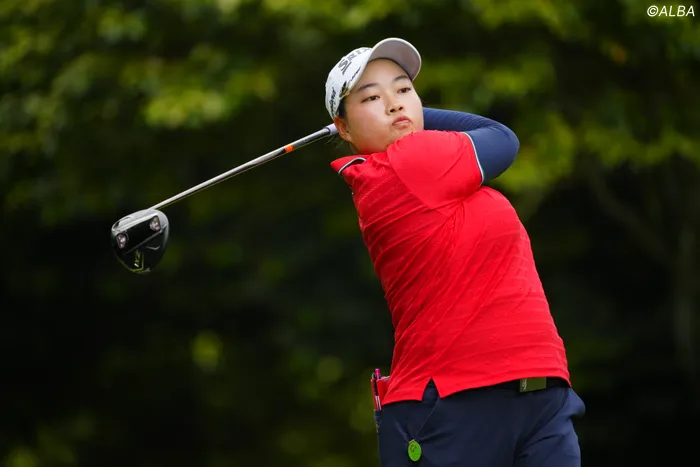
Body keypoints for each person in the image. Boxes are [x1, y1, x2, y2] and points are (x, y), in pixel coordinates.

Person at [323, 38, 586, 467]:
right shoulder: (406, 164)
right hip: (453, 403)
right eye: (371, 98)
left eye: (404, 89)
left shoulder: (425, 170)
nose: (394, 103)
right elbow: (502, 138)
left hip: (540, 392)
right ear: (344, 129)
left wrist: (407, 114)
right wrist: (414, 116)